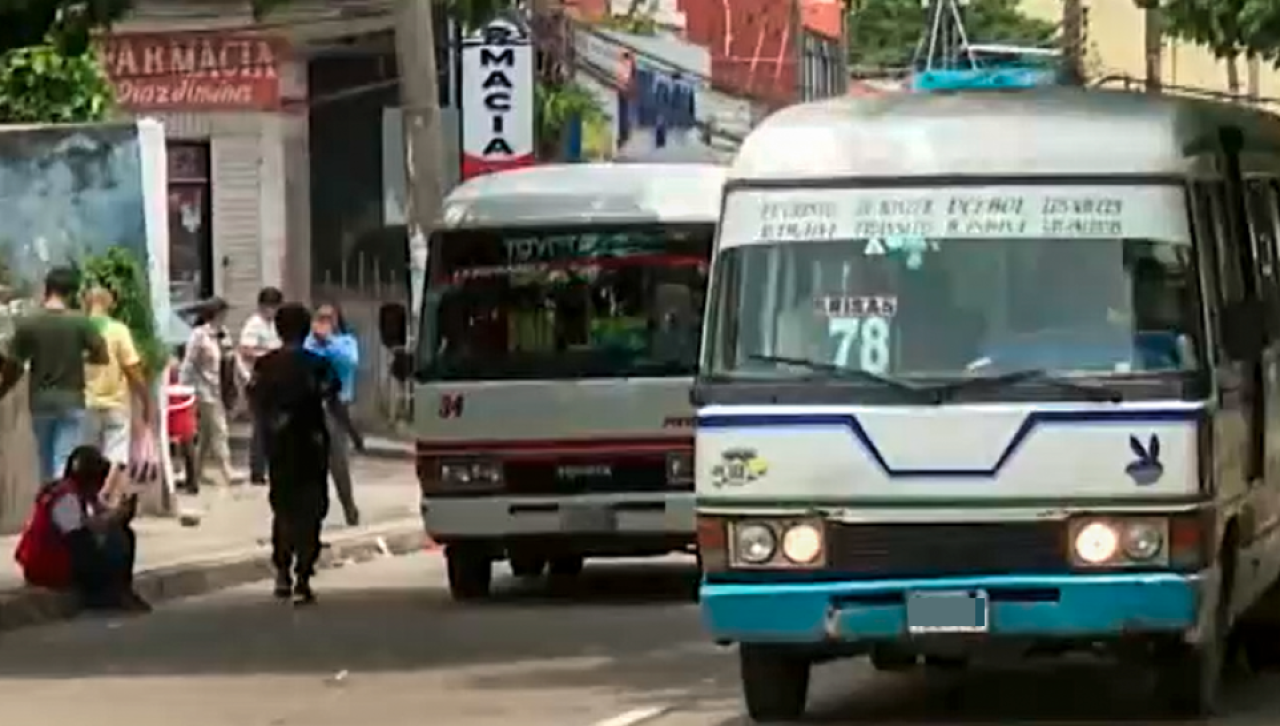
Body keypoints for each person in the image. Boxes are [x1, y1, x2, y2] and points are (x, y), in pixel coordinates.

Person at [249, 303, 357, 605]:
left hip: (280, 448)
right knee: (311, 511)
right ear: (306, 328)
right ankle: (303, 576)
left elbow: (256, 407)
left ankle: (283, 572)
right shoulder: (316, 364)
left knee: (283, 509)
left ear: (279, 329)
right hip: (310, 447)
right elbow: (334, 404)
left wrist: (259, 452)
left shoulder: (265, 365)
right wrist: (353, 435)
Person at [14, 445, 149, 612]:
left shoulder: (67, 490)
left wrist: (120, 511)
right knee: (118, 537)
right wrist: (116, 518)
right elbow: (84, 533)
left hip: (47, 560)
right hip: (48, 565)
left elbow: (97, 514)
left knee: (111, 535)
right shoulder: (67, 498)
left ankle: (115, 591)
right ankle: (106, 594)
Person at [6, 267, 108, 483]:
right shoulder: (81, 322)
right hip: (72, 401)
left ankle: (48, 507)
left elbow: (13, 365)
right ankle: (60, 508)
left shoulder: (30, 323)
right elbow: (102, 355)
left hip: (40, 403)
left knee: (44, 462)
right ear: (72, 293)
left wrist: (1, 390)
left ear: (47, 289)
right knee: (64, 459)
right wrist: (82, 359)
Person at [304, 302, 364, 526]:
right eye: (320, 317)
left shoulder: (345, 342)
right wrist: (316, 339)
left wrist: (327, 341)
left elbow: (348, 363)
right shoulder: (309, 343)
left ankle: (349, 506)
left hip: (337, 407)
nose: (324, 323)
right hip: (311, 407)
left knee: (338, 462)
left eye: (329, 318)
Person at [82, 286, 155, 468]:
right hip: (116, 405)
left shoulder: (78, 330)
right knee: (116, 459)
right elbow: (133, 369)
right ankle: (110, 495)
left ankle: (91, 495)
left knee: (89, 460)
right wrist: (146, 400)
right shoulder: (118, 330)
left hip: (86, 405)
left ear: (85, 303)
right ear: (110, 305)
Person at [180, 297, 239, 489]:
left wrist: (245, 378)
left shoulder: (223, 334)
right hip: (203, 389)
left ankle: (196, 470)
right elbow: (189, 362)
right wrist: (183, 389)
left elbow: (232, 359)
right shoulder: (199, 335)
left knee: (206, 432)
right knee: (219, 427)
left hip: (219, 387)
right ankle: (226, 468)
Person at [239, 287, 283, 486]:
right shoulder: (255, 325)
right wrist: (269, 355)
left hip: (275, 381)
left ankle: (272, 467)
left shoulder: (275, 325)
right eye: (270, 307)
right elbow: (246, 350)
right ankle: (257, 470)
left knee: (275, 427)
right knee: (261, 427)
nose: (272, 311)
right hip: (258, 382)